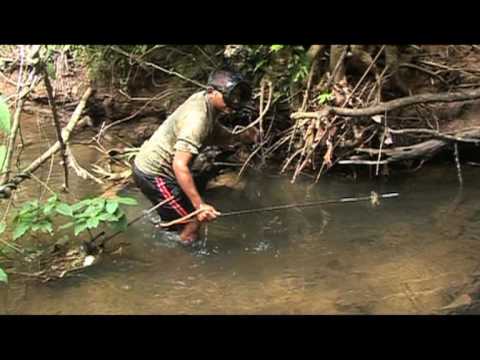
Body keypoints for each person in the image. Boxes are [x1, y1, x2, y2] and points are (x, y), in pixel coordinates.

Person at [133, 69, 258, 245]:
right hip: (155, 174)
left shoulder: (205, 103)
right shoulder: (197, 119)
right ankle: (180, 260)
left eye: (238, 97)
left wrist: (239, 136)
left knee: (180, 219)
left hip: (159, 170)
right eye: (230, 96)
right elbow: (179, 165)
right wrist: (200, 206)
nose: (235, 102)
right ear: (211, 91)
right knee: (192, 224)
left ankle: (169, 232)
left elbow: (212, 131)